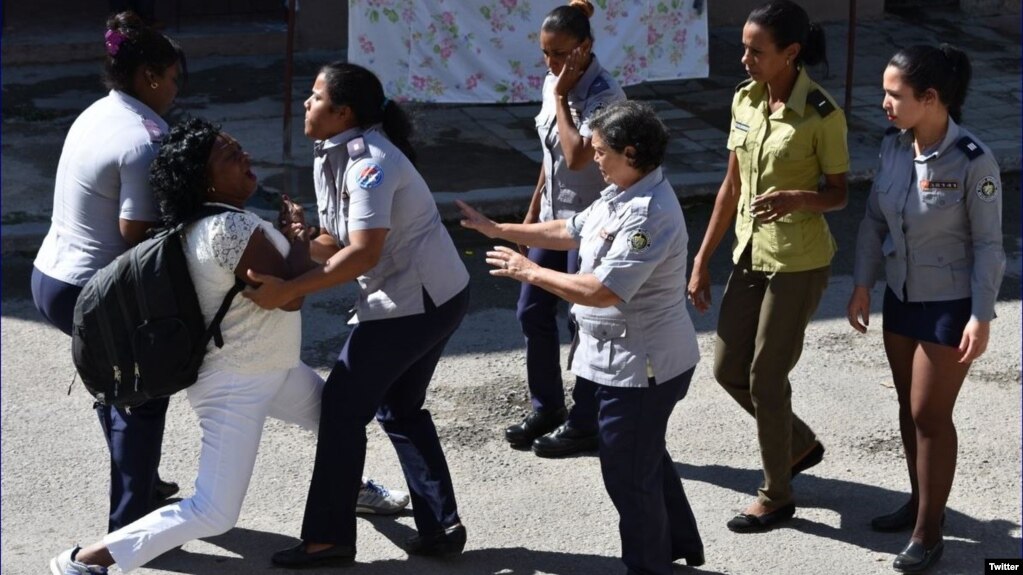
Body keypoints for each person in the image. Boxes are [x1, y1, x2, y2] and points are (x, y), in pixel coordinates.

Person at [48, 117, 325, 575]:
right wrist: (298, 237)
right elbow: (291, 297)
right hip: (238, 382)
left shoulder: (209, 222)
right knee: (215, 512)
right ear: (203, 178)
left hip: (272, 369)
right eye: (229, 155)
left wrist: (292, 239)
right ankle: (84, 560)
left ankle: (347, 490)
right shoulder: (231, 229)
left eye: (239, 148)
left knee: (339, 419)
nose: (245, 157)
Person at [457, 100, 705, 575]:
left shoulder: (649, 213)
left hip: (643, 364)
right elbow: (571, 229)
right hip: (613, 357)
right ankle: (678, 543)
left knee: (627, 472)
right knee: (643, 456)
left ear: (630, 153)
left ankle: (650, 566)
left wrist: (529, 271)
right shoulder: (621, 191)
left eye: (600, 151)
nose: (594, 158)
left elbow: (602, 289)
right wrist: (500, 229)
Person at [243, 62, 471, 568]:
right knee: (400, 407)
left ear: (342, 112)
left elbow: (364, 255)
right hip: (434, 295)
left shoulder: (370, 163)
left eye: (316, 96)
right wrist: (305, 240)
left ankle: (328, 540)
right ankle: (440, 524)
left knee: (343, 408)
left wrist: (289, 290)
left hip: (416, 304)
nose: (307, 102)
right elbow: (339, 243)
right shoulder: (334, 154)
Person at [686, 0, 848, 532]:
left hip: (798, 263)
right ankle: (798, 443)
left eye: (757, 51)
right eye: (745, 48)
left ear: (791, 53)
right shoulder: (745, 101)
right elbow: (730, 187)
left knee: (765, 377)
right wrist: (702, 259)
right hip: (749, 254)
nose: (745, 58)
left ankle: (775, 495)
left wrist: (800, 197)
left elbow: (839, 194)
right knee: (726, 369)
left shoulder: (823, 114)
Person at [848, 45, 1004, 574]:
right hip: (901, 298)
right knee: (907, 408)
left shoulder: (972, 159)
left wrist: (981, 314)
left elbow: (989, 245)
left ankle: (928, 533)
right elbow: (872, 220)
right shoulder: (894, 148)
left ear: (931, 99)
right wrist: (862, 284)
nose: (884, 102)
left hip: (951, 305)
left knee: (928, 415)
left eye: (895, 94)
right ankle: (921, 500)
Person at [31, 11, 185, 532]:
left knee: (120, 382)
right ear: (149, 77)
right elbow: (135, 233)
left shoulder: (98, 111)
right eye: (172, 79)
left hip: (49, 275)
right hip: (89, 290)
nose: (174, 90)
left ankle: (140, 478)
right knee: (144, 389)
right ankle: (131, 520)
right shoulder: (146, 137)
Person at [506, 0, 627, 458]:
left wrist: (560, 97)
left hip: (592, 222)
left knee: (585, 322)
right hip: (555, 217)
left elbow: (578, 155)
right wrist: (532, 213)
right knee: (531, 310)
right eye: (546, 54)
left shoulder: (605, 96)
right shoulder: (553, 82)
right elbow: (552, 157)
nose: (552, 64)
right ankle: (547, 407)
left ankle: (586, 421)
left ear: (586, 47)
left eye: (560, 53)